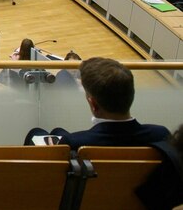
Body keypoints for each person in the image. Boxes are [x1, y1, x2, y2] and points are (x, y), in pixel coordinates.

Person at [23, 58, 170, 149]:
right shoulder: (161, 135)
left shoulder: (75, 143)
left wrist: (61, 136)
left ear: (93, 104)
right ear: (131, 95)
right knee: (56, 131)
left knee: (37, 133)